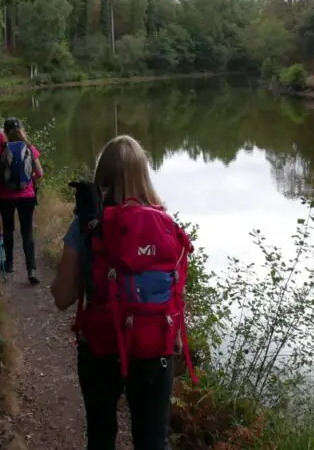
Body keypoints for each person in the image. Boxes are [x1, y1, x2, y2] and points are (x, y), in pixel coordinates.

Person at [50, 135, 196, 450]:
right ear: (144, 175)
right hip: (154, 347)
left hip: (100, 348)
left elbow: (62, 297)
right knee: (154, 441)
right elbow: (175, 294)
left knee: (101, 436)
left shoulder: (86, 226)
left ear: (101, 177)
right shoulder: (165, 224)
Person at [0, 117, 43, 285]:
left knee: (9, 230)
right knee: (27, 233)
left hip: (5, 196)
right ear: (22, 130)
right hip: (27, 197)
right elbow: (39, 173)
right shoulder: (30, 148)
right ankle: (31, 269)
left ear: (4, 131)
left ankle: (9, 263)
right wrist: (26, 180)